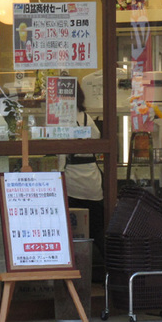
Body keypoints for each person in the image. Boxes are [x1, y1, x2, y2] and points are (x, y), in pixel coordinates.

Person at [60, 84, 105, 282]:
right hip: (92, 183)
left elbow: (60, 155)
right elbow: (97, 141)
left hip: (72, 183)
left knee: (72, 234)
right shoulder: (87, 119)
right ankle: (111, 272)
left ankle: (74, 276)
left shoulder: (62, 121)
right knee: (96, 230)